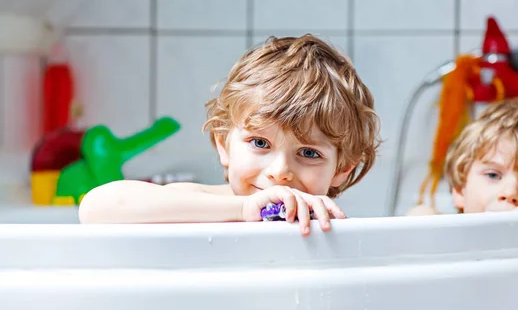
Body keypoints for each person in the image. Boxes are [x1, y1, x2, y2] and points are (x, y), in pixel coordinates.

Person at [79, 35, 381, 235]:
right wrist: (241, 209)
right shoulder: (205, 204)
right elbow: (97, 206)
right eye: (260, 143)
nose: (279, 173)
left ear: (342, 168)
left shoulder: (333, 228)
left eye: (309, 153)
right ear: (224, 146)